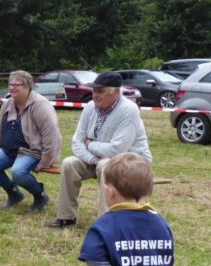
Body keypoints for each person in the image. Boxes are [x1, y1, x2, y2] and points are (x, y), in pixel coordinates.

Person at [48, 71, 151, 228]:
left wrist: (90, 145)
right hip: (97, 158)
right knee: (69, 163)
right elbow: (76, 142)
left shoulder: (129, 109)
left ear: (116, 92)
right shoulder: (90, 107)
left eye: (101, 91)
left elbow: (117, 150)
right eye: (94, 90)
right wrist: (93, 159)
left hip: (132, 161)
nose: (95, 95)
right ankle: (66, 217)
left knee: (105, 165)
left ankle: (105, 222)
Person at [0, 70, 61, 212]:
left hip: (31, 151)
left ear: (28, 86)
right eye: (10, 84)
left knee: (18, 172)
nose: (12, 87)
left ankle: (40, 195)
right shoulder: (8, 104)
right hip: (9, 150)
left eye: (17, 84)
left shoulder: (41, 105)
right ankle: (14, 193)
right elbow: (0, 127)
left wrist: (46, 160)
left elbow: (52, 135)